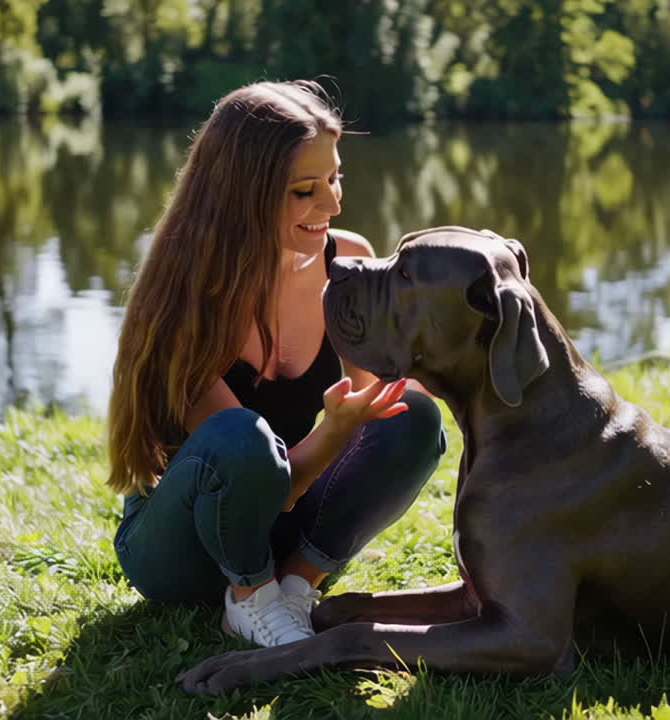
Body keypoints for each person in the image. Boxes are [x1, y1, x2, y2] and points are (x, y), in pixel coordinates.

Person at [107, 80, 446, 648]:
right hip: (184, 546)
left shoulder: (349, 262)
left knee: (410, 410)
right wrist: (335, 430)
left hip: (282, 525)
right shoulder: (186, 299)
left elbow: (372, 410)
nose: (333, 204)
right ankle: (249, 597)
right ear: (243, 192)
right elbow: (255, 475)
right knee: (242, 438)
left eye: (335, 178)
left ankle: (295, 583)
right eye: (305, 190)